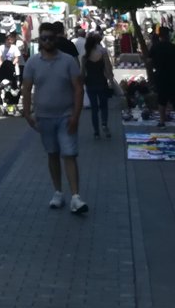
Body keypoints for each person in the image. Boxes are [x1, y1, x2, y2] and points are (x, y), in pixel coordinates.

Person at [22, 21, 88, 214]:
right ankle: (58, 192)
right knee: (52, 153)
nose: (48, 41)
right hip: (44, 117)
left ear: (56, 38)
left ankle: (75, 196)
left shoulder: (67, 61)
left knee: (69, 154)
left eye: (51, 38)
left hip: (66, 116)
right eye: (44, 38)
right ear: (39, 40)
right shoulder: (33, 62)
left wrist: (76, 115)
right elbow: (26, 88)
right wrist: (27, 113)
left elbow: (78, 88)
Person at [149, 27, 175, 129]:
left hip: (160, 76)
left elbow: (149, 61)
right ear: (168, 35)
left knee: (162, 99)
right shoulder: (174, 47)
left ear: (159, 35)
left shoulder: (155, 47)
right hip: (173, 75)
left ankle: (162, 122)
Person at [81, 33, 115, 140]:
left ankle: (96, 132)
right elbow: (108, 68)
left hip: (90, 84)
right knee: (104, 106)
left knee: (94, 108)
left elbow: (82, 73)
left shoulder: (84, 58)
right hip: (102, 83)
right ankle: (104, 124)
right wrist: (111, 80)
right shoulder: (103, 54)